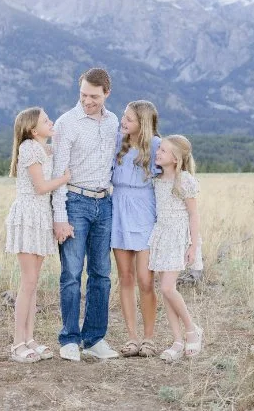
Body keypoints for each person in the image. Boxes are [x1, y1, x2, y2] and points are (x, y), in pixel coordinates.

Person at [52, 68, 120, 361]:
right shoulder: (67, 123)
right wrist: (59, 216)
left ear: (106, 93)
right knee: (71, 273)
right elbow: (58, 173)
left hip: (104, 203)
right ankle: (69, 338)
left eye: (93, 96)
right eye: (83, 94)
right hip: (74, 202)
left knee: (102, 275)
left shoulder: (113, 121)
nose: (87, 101)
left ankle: (94, 339)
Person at [5, 107, 70, 363]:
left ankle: (30, 338)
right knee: (28, 282)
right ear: (33, 130)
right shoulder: (29, 147)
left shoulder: (46, 149)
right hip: (28, 215)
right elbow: (41, 187)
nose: (51, 122)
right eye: (46, 120)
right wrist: (65, 178)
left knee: (34, 283)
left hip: (42, 217)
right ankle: (17, 343)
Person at [111, 101, 161, 358]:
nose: (123, 121)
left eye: (129, 119)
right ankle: (131, 337)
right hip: (118, 210)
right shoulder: (118, 142)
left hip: (143, 212)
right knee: (126, 277)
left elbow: (166, 179)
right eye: (123, 116)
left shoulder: (154, 146)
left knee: (145, 279)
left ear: (142, 123)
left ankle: (149, 337)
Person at [148, 135, 204, 362]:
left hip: (178, 237)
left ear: (176, 158)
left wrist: (193, 244)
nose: (158, 153)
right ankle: (177, 340)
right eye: (158, 149)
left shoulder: (184, 180)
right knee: (164, 290)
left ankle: (192, 330)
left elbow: (193, 214)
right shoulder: (157, 179)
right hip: (162, 236)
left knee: (169, 288)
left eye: (163, 150)